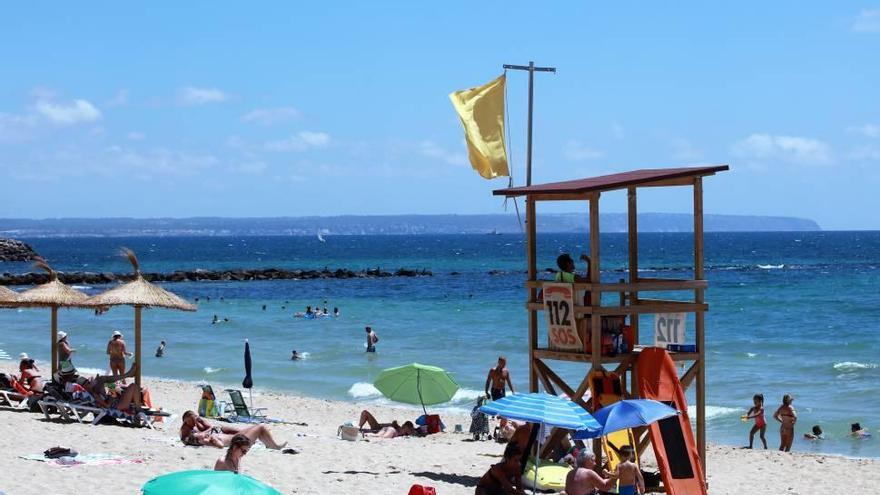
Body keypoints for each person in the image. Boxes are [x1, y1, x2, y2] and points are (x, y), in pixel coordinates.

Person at [180, 410, 287, 449]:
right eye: (192, 419)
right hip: (228, 438)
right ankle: (274, 445)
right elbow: (220, 446)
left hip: (223, 435)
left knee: (255, 428)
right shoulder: (188, 432)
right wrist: (206, 436)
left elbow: (209, 431)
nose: (194, 421)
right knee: (260, 427)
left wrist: (199, 425)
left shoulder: (201, 434)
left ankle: (270, 443)